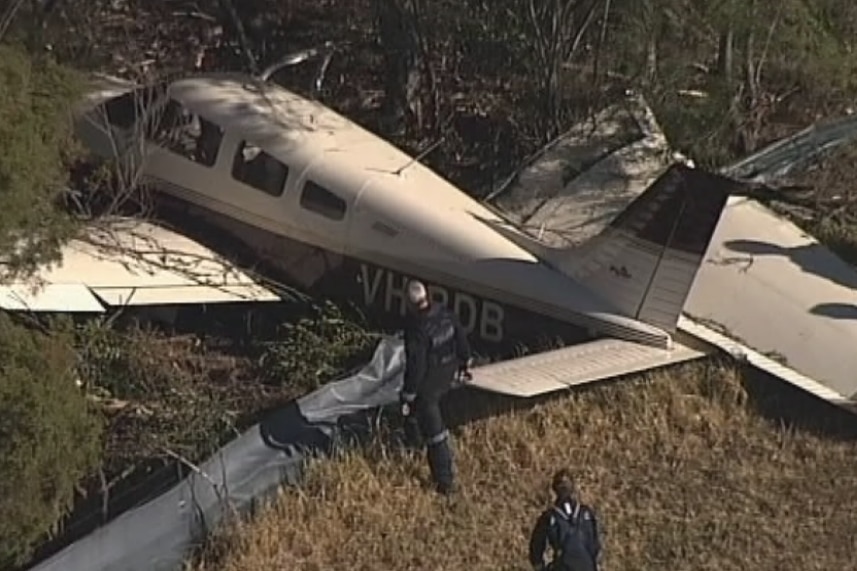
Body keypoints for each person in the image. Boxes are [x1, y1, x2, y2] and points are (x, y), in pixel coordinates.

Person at [399, 279, 472, 495]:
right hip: (450, 374)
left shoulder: (416, 329)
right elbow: (460, 336)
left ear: (409, 304)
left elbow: (416, 366)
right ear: (427, 296)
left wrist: (408, 394)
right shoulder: (445, 313)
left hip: (429, 385)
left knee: (435, 436)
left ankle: (445, 484)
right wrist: (465, 361)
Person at [528, 469, 602, 571]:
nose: (563, 489)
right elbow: (536, 546)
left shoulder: (585, 513)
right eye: (561, 485)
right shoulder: (551, 516)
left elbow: (595, 543)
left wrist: (539, 565)